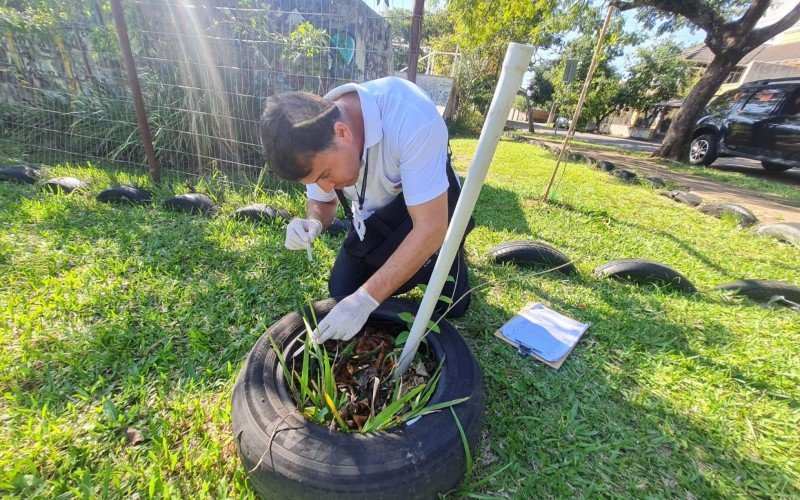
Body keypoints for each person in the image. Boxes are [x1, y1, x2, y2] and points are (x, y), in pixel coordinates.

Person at [260, 76, 472, 344]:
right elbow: (323, 203)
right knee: (341, 289)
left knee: (452, 304)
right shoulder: (316, 132)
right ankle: (421, 260)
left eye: (325, 174)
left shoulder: (412, 117)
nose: (325, 186)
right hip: (376, 215)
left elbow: (430, 227)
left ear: (342, 133)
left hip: (430, 206)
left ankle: (450, 254)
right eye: (315, 181)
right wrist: (313, 221)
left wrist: (365, 299)